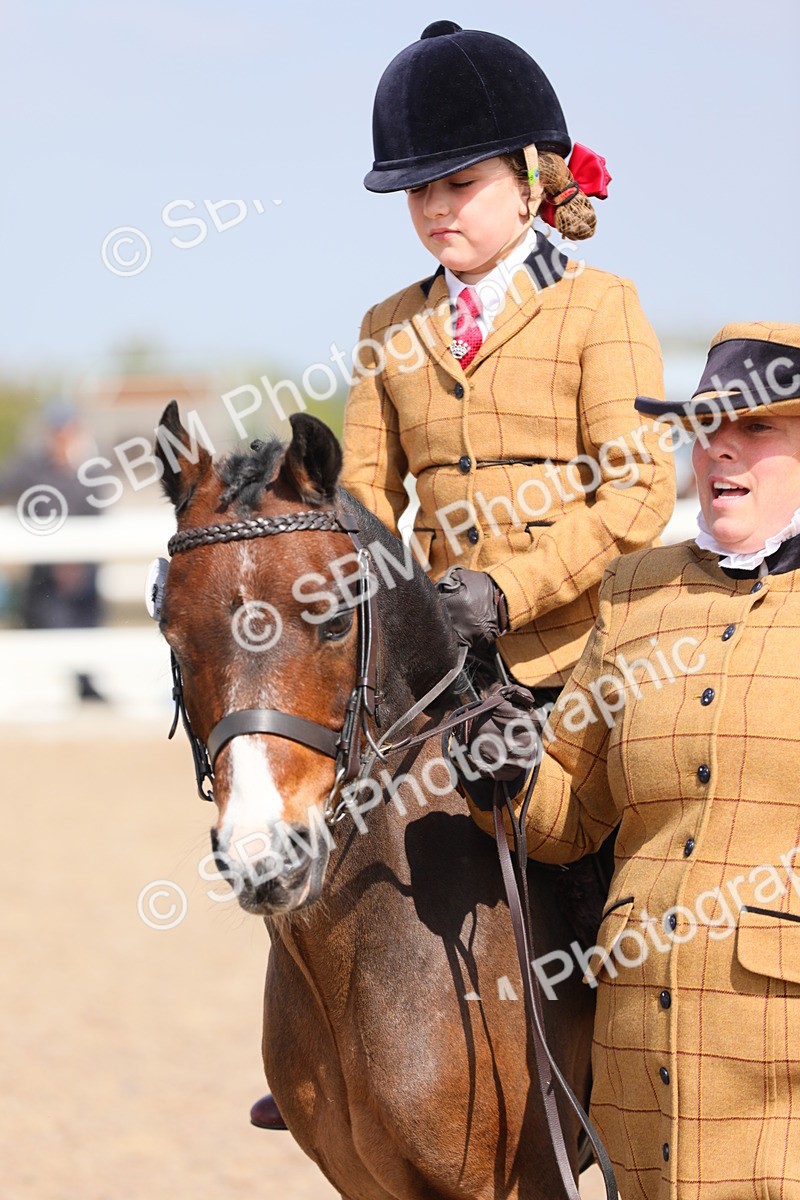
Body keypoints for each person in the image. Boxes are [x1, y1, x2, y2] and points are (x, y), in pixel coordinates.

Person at [251, 17, 677, 1133]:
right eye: (417, 192)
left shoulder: (600, 308)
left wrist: (506, 590)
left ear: (533, 182)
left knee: (619, 850)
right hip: (435, 665)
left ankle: (641, 1047)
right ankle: (331, 1051)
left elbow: (635, 496)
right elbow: (363, 503)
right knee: (326, 813)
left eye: (460, 183)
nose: (437, 209)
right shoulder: (387, 327)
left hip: (574, 654)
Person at [466, 322, 800, 1198]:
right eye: (707, 426)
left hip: (783, 1051)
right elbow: (569, 816)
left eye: (758, 427)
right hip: (637, 1047)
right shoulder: (633, 591)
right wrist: (502, 771)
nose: (721, 446)